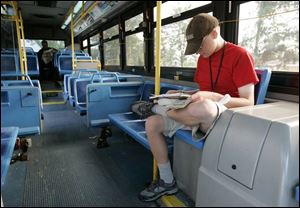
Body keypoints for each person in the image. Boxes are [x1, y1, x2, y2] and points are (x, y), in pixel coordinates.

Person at [138, 13, 259, 202]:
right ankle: (167, 182)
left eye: (200, 46)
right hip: (194, 115)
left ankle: (160, 109)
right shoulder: (203, 59)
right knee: (152, 124)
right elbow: (202, 91)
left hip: (225, 118)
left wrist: (212, 97)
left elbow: (248, 102)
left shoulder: (240, 56)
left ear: (214, 33)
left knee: (205, 107)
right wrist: (182, 95)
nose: (198, 52)